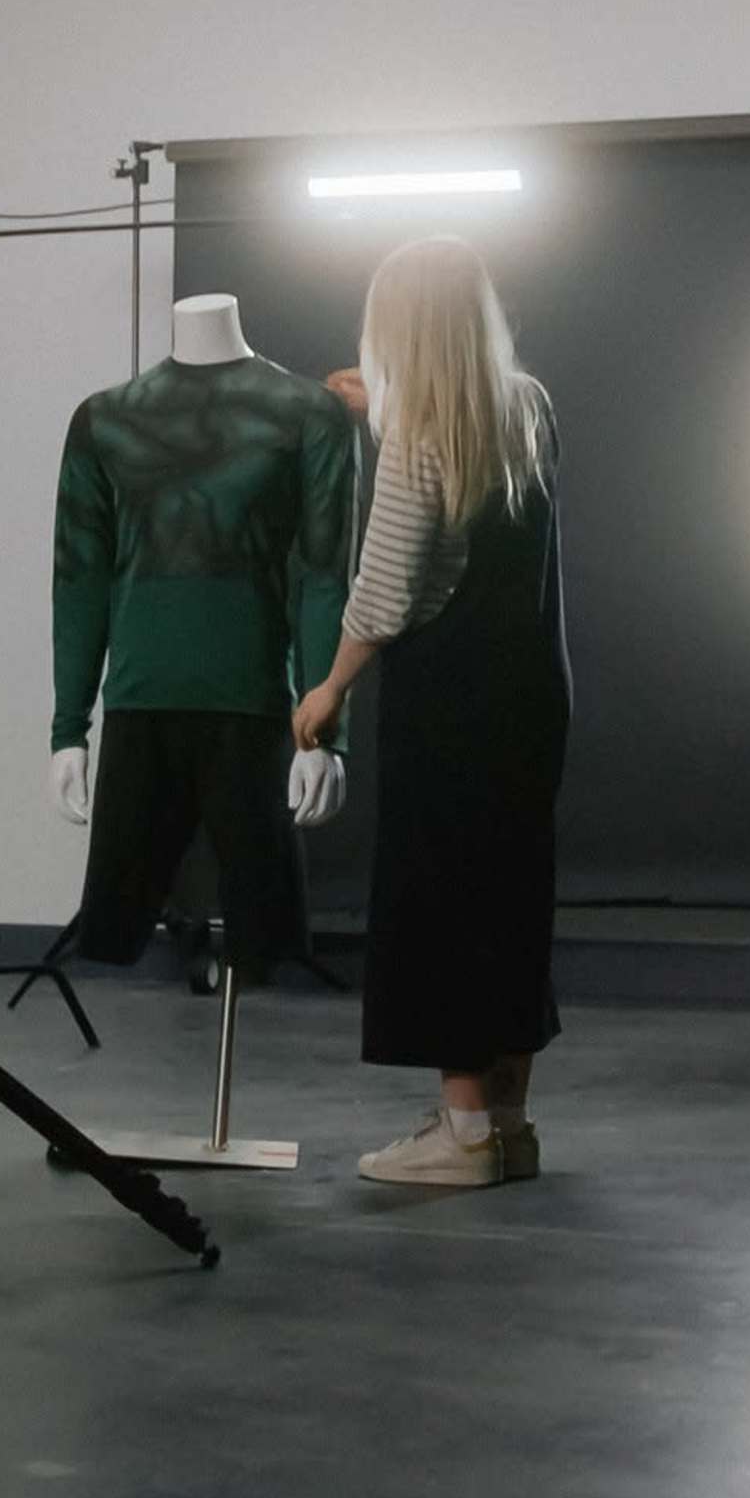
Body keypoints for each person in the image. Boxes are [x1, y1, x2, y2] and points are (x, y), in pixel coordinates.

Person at [292, 238, 571, 1188]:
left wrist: (328, 689)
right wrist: (387, 408)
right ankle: (508, 1125)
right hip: (531, 697)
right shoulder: (526, 409)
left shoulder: (418, 434)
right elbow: (461, 463)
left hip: (448, 700)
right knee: (509, 897)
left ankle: (461, 1137)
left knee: (443, 900)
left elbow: (387, 587)